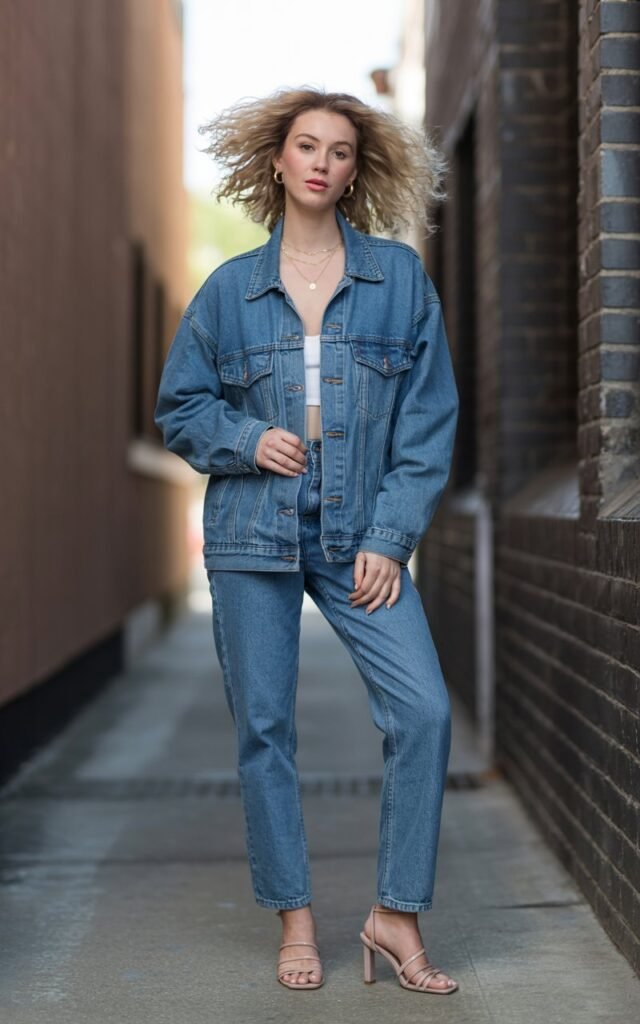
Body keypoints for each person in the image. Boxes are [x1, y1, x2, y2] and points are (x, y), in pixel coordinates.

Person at [155, 87, 459, 995]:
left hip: (362, 527)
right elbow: (180, 407)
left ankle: (394, 915)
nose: (321, 161)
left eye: (339, 150)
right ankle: (295, 922)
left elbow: (427, 419)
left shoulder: (400, 281)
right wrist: (246, 439)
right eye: (305, 145)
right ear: (277, 162)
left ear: (356, 171)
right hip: (253, 530)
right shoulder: (227, 292)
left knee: (424, 710)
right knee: (266, 727)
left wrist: (393, 536)